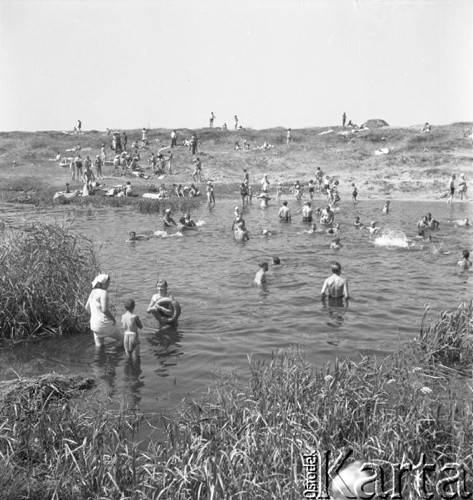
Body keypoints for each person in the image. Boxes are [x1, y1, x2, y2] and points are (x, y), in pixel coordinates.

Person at [85, 274, 122, 347]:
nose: (109, 284)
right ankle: (114, 356)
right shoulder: (103, 292)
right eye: (108, 282)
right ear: (102, 283)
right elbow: (104, 310)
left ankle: (100, 357)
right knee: (122, 339)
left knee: (99, 346)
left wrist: (95, 316)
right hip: (103, 324)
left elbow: (86, 307)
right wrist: (113, 319)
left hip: (94, 325)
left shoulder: (93, 291)